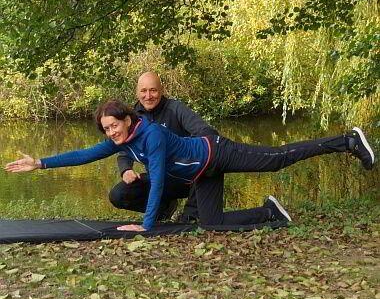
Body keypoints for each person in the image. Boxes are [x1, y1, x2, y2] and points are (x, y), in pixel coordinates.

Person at [5, 100, 375, 232]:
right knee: (211, 224)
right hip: (202, 174)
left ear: (129, 120)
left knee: (277, 160)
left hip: (215, 153)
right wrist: (40, 163)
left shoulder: (149, 135)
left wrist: (147, 226)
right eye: (106, 129)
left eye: (114, 126)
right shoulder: (125, 139)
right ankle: (267, 212)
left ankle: (346, 141)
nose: (110, 133)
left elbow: (162, 179)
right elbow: (84, 154)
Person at [111, 72, 219, 222]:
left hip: (187, 178)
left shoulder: (175, 108)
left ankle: (191, 214)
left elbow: (208, 132)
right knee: (118, 195)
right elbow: (124, 151)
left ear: (162, 90)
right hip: (158, 179)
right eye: (143, 91)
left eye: (153, 90)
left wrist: (192, 151)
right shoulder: (132, 117)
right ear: (137, 92)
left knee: (204, 165)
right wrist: (126, 169)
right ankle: (164, 208)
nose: (148, 96)